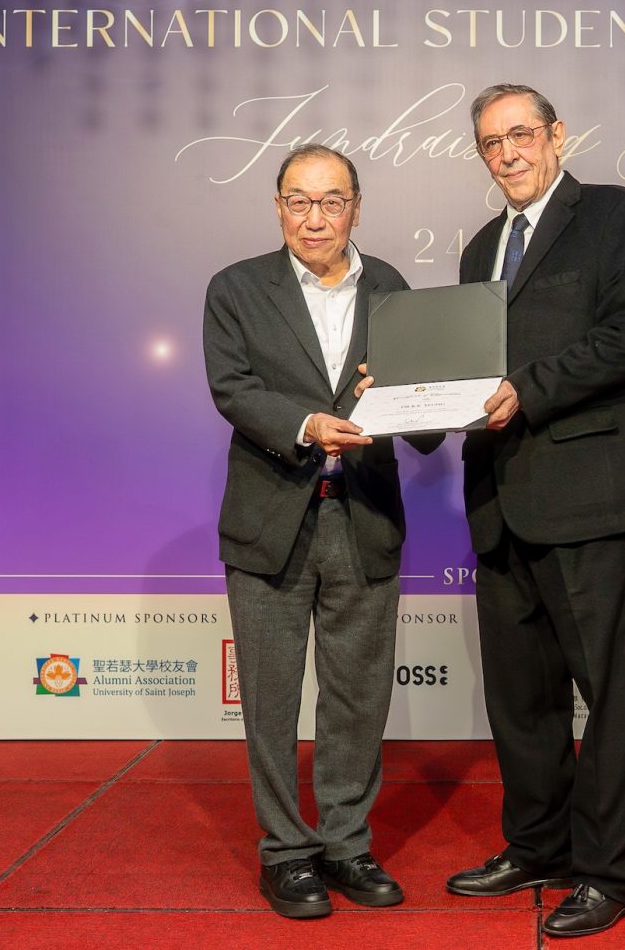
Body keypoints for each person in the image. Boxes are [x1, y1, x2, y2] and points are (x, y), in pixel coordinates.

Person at [446, 84, 625, 938]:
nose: (506, 153)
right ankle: (538, 846)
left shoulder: (613, 215)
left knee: (610, 696)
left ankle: (608, 872)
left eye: (520, 134)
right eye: (490, 143)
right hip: (498, 501)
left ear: (556, 135)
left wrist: (526, 390)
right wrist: (410, 396)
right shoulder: (478, 249)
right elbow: (464, 371)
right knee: (521, 699)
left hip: (587, 497)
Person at [203, 144, 439, 919]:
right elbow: (232, 388)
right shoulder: (236, 288)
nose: (315, 218)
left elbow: (424, 411)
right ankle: (285, 853)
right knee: (270, 699)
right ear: (278, 207)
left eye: (331, 201)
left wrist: (415, 396)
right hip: (270, 518)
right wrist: (307, 424)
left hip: (363, 516)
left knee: (357, 696)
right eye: (299, 201)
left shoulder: (392, 290)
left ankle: (345, 844)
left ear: (356, 208)